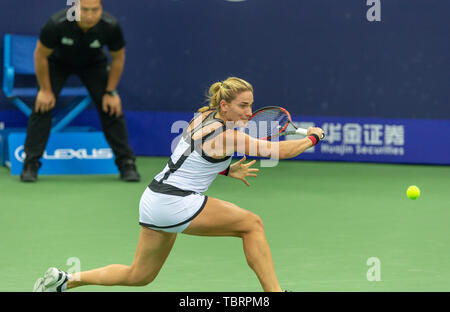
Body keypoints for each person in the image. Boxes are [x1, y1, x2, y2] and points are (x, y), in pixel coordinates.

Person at [32, 77, 325, 292]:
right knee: (252, 224)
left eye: (251, 105)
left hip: (153, 198)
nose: (249, 112)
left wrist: (225, 170)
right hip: (176, 201)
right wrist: (313, 138)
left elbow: (191, 156)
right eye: (243, 106)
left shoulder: (201, 117)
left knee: (140, 276)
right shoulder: (230, 136)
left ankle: (65, 281)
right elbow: (282, 151)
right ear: (224, 105)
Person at [20, 0, 140, 182]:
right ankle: (30, 164)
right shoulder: (57, 24)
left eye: (95, 9)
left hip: (93, 65)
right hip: (57, 64)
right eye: (85, 10)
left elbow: (118, 59)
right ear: (74, 8)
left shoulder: (110, 26)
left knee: (111, 107)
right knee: (42, 106)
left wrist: (111, 91)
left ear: (101, 8)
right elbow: (40, 56)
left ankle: (127, 163)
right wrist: (44, 90)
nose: (90, 15)